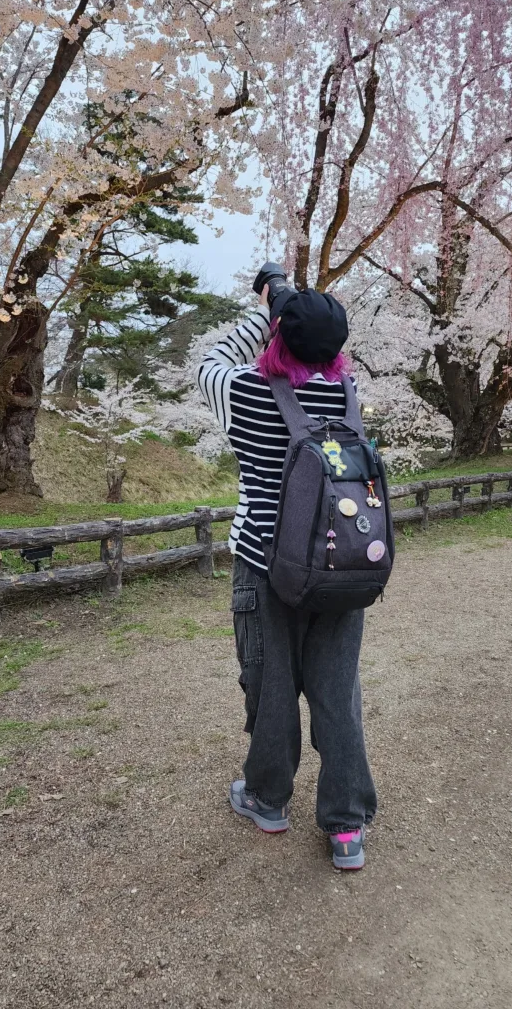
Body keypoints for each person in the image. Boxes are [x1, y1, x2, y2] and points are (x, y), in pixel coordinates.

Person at [195, 283, 377, 870]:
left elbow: (208, 363)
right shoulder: (350, 395)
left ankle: (267, 798)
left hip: (266, 566)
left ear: (277, 334)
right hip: (344, 566)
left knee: (271, 684)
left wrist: (263, 309)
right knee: (338, 692)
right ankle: (346, 824)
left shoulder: (247, 392)